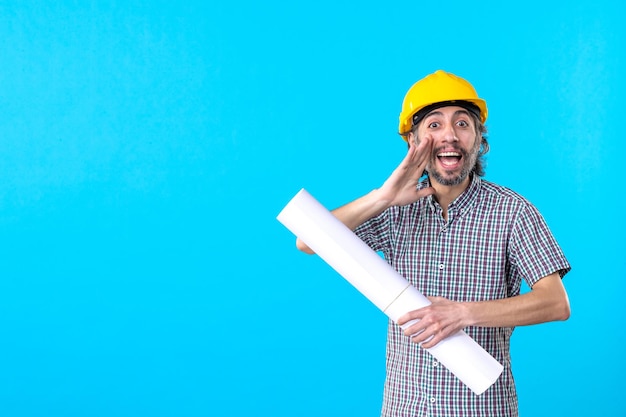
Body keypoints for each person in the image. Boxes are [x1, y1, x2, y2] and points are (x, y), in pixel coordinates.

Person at [296, 70, 571, 416]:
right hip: (404, 407)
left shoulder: (513, 212)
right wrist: (381, 197)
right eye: (434, 125)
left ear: (479, 140)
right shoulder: (394, 210)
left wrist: (463, 313)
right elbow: (307, 241)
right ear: (413, 142)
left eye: (462, 124)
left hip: (483, 408)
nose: (449, 136)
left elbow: (556, 303)